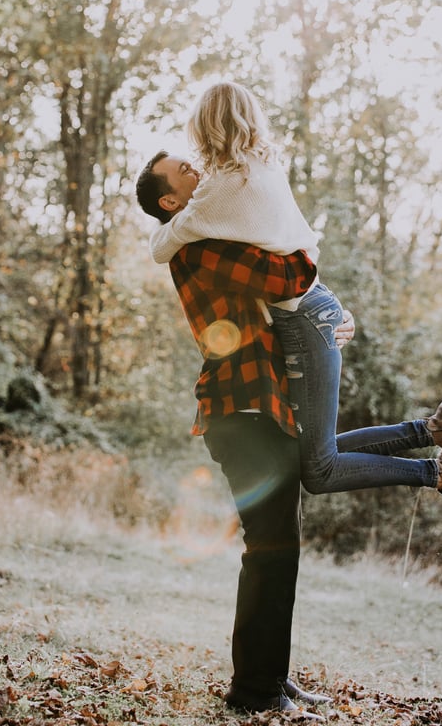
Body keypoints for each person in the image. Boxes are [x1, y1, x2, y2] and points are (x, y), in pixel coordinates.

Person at [144, 83, 442, 510]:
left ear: (205, 128)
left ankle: (440, 466)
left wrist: (165, 223)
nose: (194, 169)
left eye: (191, 160)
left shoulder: (215, 195)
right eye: (183, 169)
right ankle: (437, 431)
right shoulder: (264, 166)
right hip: (315, 307)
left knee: (319, 470)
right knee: (316, 456)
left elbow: (160, 247)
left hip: (304, 316)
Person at [136, 163, 348, 719]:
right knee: (270, 551)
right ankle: (255, 691)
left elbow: (286, 304)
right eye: (179, 171)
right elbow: (287, 276)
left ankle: (269, 679)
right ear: (169, 204)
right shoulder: (198, 251)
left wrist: (328, 322)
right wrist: (301, 245)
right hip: (241, 406)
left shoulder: (214, 238)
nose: (193, 167)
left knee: (277, 551)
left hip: (260, 404)